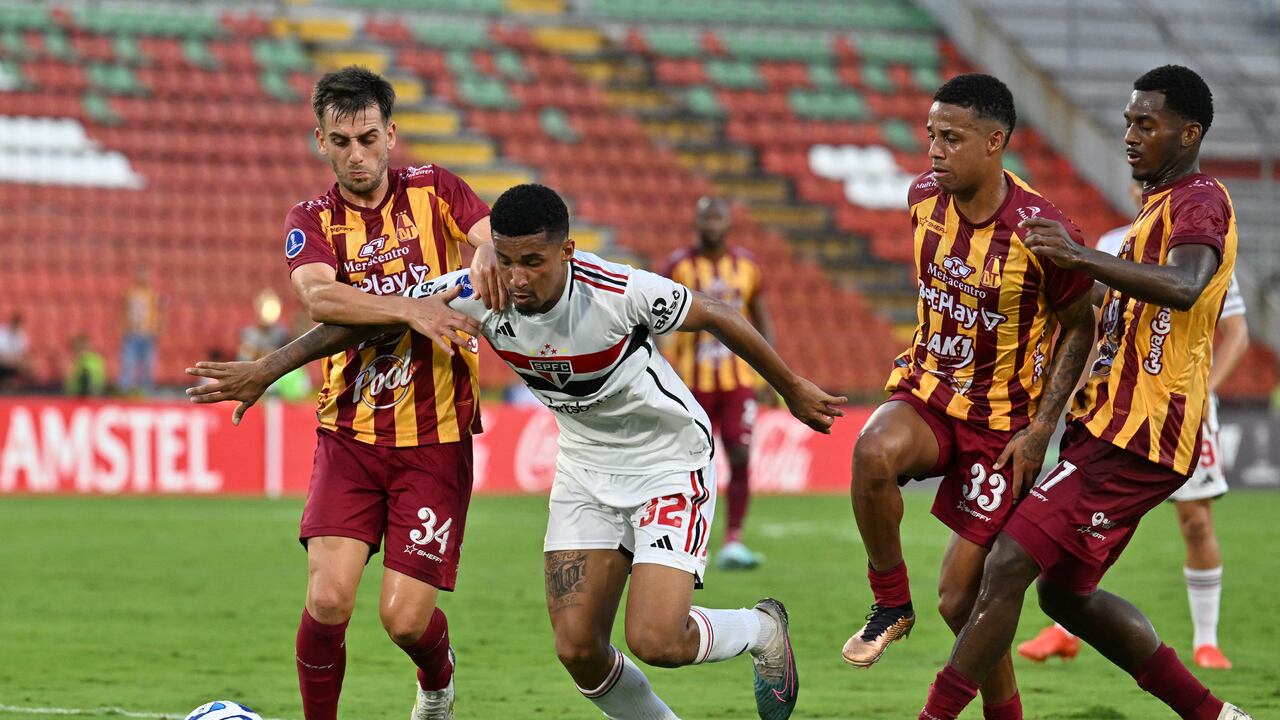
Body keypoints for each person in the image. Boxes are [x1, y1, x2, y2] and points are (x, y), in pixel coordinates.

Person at [188, 183, 847, 720]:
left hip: (668, 462)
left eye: (535, 261)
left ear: (568, 251)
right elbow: (364, 316)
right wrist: (266, 368)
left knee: (655, 640)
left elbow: (716, 313)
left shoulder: (618, 292)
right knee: (578, 650)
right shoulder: (478, 289)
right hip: (586, 471)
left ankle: (762, 630)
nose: (519, 277)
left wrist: (790, 387)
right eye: (507, 259)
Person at [917, 65, 1251, 720]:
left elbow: (1184, 285)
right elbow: (1116, 303)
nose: (1130, 135)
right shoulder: (1159, 207)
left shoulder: (1200, 200)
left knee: (1008, 562)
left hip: (1141, 432)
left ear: (1189, 133)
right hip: (1107, 426)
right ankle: (1214, 715)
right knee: (1064, 597)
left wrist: (1081, 257)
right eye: (1128, 121)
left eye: (1146, 124)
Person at [191, 65, 507, 720]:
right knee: (329, 600)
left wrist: (486, 254)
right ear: (320, 142)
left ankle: (438, 682)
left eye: (368, 138)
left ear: (391, 133)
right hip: (350, 437)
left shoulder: (437, 189)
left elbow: (495, 243)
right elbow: (319, 296)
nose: (357, 155)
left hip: (436, 441)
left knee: (402, 619)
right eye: (342, 142)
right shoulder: (312, 218)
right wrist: (413, 307)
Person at [839, 73, 1097, 719]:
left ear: (995, 141)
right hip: (928, 394)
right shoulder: (922, 197)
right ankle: (891, 603)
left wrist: (1042, 428)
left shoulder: (1044, 231)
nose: (933, 150)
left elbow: (1080, 324)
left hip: (1002, 427)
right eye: (930, 135)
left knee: (964, 603)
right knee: (871, 452)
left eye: (950, 138)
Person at [1018, 185, 1250, 670]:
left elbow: (1237, 334)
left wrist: (1205, 393)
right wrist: (1079, 391)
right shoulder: (1116, 241)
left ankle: (1206, 640)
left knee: (1195, 520)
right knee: (1088, 522)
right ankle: (1064, 629)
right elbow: (1100, 328)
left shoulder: (1201, 245)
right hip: (1115, 414)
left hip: (1180, 413)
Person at [662, 196, 774, 570]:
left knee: (740, 454)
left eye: (717, 217)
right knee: (692, 459)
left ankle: (734, 541)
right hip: (691, 382)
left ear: (728, 222)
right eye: (705, 217)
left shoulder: (747, 267)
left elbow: (760, 318)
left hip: (737, 380)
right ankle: (690, 537)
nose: (711, 224)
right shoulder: (678, 266)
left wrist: (773, 374)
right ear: (696, 222)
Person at [119, 267, 159, 394]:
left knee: (147, 365)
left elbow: (157, 313)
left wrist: (155, 329)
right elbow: (123, 311)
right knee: (128, 364)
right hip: (132, 334)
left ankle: (146, 392)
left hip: (147, 334)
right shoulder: (130, 293)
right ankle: (125, 391)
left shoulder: (152, 293)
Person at [0, 313, 27, 392]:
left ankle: (27, 391)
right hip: (3, 362)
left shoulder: (21, 335)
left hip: (13, 363)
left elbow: (22, 353)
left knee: (28, 366)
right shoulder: (2, 333)